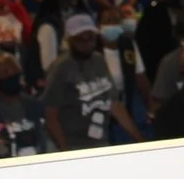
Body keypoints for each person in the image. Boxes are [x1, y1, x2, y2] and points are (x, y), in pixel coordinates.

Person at [41, 14, 143, 150]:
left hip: (101, 140)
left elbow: (114, 104)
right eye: (80, 39)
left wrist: (139, 139)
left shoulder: (99, 61)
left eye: (90, 38)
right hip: (73, 144)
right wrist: (65, 151)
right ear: (70, 40)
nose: (86, 43)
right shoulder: (61, 68)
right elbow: (51, 116)